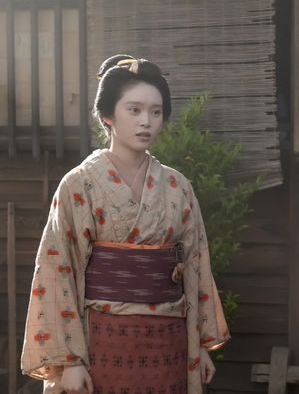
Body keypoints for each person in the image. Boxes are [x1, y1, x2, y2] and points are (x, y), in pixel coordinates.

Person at [21, 55, 229, 394]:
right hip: (100, 341)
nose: (146, 121)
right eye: (134, 110)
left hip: (170, 343)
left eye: (156, 112)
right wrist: (69, 361)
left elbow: (196, 264)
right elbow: (56, 269)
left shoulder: (177, 186)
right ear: (107, 115)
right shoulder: (79, 184)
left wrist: (200, 346)